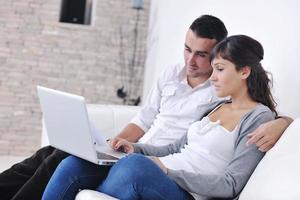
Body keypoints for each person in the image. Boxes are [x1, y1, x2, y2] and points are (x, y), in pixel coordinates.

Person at [0, 15, 291, 200]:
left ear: (244, 72)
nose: (212, 75)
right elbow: (173, 148)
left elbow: (230, 184)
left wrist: (163, 170)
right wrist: (133, 147)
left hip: (183, 189)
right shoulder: (216, 107)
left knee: (134, 167)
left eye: (218, 68)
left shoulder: (257, 118)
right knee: (74, 159)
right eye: (212, 68)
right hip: (156, 168)